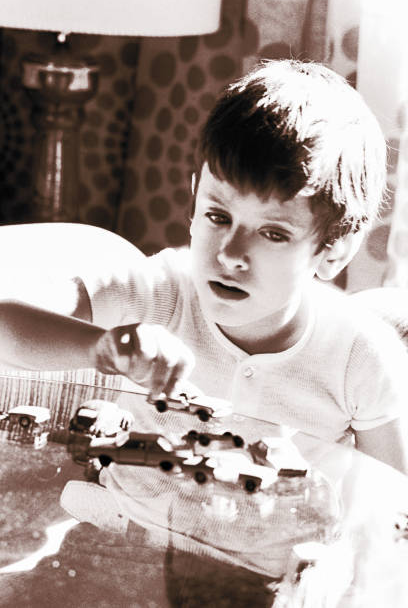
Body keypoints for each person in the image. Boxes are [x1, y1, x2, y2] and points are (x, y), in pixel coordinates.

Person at [0, 59, 407, 474]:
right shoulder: (159, 291)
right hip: (122, 530)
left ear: (334, 248)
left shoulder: (361, 357)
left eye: (273, 234)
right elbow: (4, 323)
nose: (230, 253)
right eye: (218, 216)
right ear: (195, 199)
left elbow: (394, 511)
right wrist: (98, 346)